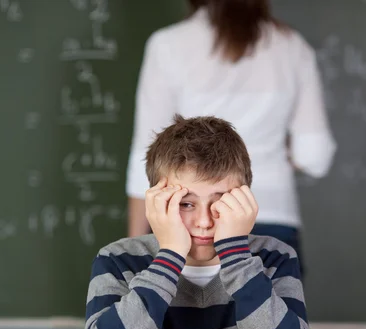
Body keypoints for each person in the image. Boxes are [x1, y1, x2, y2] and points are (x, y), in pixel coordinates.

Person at [84, 115, 313, 329]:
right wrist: (169, 255)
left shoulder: (275, 258)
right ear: (157, 203)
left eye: (220, 203)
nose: (204, 222)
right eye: (185, 204)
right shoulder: (117, 260)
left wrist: (236, 256)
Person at [126, 0, 337, 280]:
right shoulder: (292, 47)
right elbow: (314, 155)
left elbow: (146, 154)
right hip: (273, 218)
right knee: (270, 322)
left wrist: (132, 249)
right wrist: (276, 153)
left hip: (186, 222)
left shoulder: (168, 45)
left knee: (181, 324)